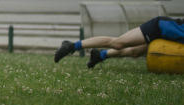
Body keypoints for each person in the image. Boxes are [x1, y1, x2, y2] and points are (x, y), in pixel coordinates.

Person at [54, 16, 184, 68]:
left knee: (135, 52)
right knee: (118, 43)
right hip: (158, 27)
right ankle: (72, 46)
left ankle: (100, 55)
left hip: (167, 35)